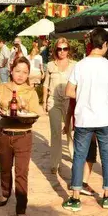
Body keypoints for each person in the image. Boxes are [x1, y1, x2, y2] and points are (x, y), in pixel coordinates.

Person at [63, 28, 108, 211]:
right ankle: (107, 195)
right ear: (104, 44)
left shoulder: (79, 65)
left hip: (84, 118)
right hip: (104, 118)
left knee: (79, 157)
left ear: (90, 44)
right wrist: (102, 97)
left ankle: (75, 197)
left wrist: (84, 97)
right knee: (106, 157)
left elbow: (69, 91)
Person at [0, 57, 44, 216]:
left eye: (25, 72)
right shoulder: (3, 88)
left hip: (23, 136)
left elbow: (35, 114)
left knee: (22, 173)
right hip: (4, 135)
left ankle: (21, 207)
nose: (21, 75)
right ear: (11, 70)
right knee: (5, 168)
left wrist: (26, 113)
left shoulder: (30, 91)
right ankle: (5, 193)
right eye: (18, 71)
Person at [43, 38, 77, 174]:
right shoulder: (50, 65)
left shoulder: (75, 65)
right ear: (55, 50)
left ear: (68, 50)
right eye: (59, 48)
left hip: (69, 101)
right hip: (54, 100)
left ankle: (74, 156)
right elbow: (45, 84)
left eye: (65, 48)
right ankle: (55, 163)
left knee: (70, 130)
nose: (62, 51)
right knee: (56, 132)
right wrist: (44, 101)